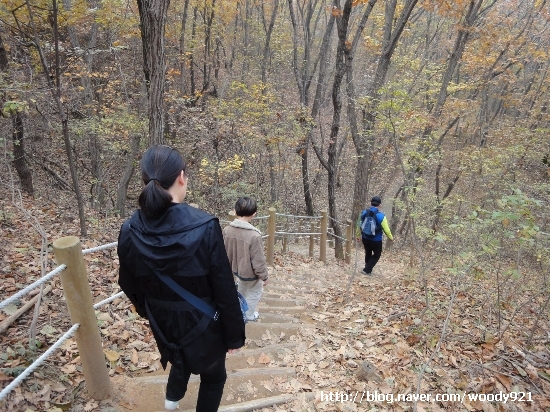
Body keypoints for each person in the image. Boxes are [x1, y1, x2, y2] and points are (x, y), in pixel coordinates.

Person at [117, 145, 245, 412]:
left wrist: (149, 310)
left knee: (179, 359)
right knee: (214, 377)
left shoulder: (129, 229)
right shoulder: (205, 225)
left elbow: (128, 284)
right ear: (181, 177)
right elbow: (224, 287)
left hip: (162, 323)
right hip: (203, 325)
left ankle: (171, 400)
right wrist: (234, 336)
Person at [223, 197, 268, 322]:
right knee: (255, 292)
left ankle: (239, 309)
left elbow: (224, 250)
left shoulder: (227, 230)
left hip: (235, 269)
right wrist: (264, 276)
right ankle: (248, 315)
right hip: (250, 273)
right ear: (254, 214)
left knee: (242, 288)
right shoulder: (254, 235)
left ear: (234, 211)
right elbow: (258, 260)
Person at [358, 196, 394, 275]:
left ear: (371, 203)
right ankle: (367, 270)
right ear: (380, 205)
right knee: (377, 254)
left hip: (365, 237)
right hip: (376, 240)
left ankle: (367, 269)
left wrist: (358, 235)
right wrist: (390, 237)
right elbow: (386, 229)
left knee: (368, 252)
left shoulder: (364, 212)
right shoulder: (381, 216)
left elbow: (359, 224)